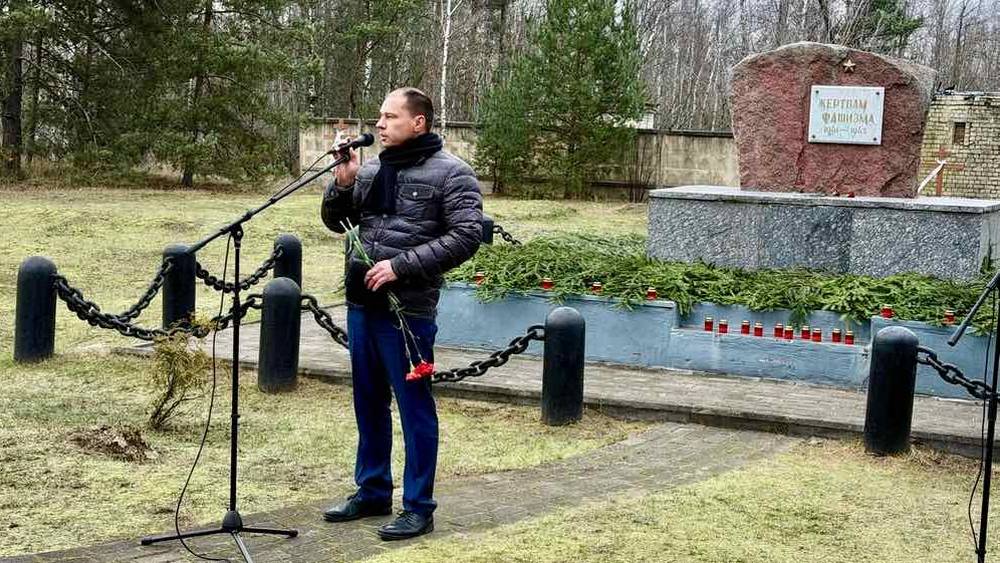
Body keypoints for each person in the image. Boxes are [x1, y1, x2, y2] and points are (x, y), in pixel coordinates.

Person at [319, 87, 483, 540]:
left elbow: (467, 236)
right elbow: (337, 222)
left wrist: (400, 266)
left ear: (418, 123)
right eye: (379, 116)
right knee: (368, 402)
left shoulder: (453, 175)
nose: (379, 124)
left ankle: (418, 506)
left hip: (408, 312)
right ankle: (372, 490)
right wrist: (345, 182)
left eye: (390, 117)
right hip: (362, 305)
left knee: (414, 409)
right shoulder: (372, 169)